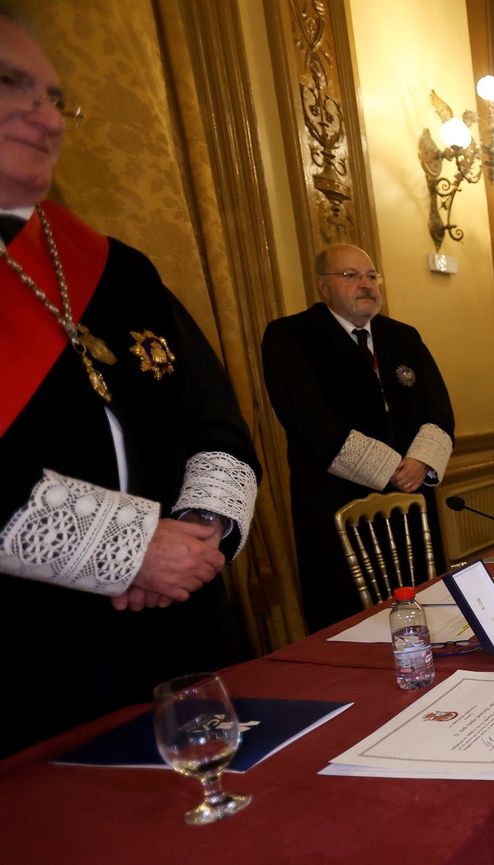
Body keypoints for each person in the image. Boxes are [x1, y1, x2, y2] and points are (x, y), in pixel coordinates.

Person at [0, 12, 259, 755]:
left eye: (56, 98)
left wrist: (201, 534)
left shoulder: (120, 269)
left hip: (181, 630)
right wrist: (128, 548)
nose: (46, 118)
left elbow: (216, 418)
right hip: (32, 657)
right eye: (12, 86)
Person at [261, 244, 455, 632]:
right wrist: (393, 470)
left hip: (412, 499)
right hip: (335, 500)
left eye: (370, 275)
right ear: (323, 286)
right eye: (349, 276)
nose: (365, 285)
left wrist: (419, 464)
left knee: (424, 607)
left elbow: (438, 408)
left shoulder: (403, 337)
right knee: (352, 621)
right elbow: (308, 419)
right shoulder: (291, 336)